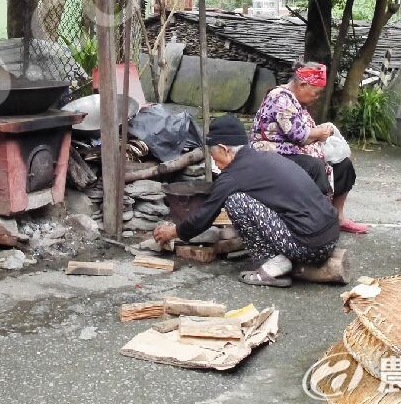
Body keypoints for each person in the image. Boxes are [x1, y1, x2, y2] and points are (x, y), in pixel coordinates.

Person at [153, 121, 339, 287]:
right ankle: (283, 258)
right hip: (329, 237)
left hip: (310, 246)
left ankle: (273, 264)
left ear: (224, 149)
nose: (217, 165)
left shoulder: (234, 174)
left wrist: (174, 232)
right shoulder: (265, 158)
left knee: (236, 201)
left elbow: (204, 216)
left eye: (216, 158)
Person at [250, 61, 367, 234]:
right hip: (271, 153)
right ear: (302, 84)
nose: (317, 97)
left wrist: (319, 133)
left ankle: (338, 216)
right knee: (314, 166)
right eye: (316, 92)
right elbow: (299, 135)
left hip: (293, 151)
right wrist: (319, 133)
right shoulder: (280, 97)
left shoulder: (296, 101)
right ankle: (317, 222)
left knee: (343, 165)